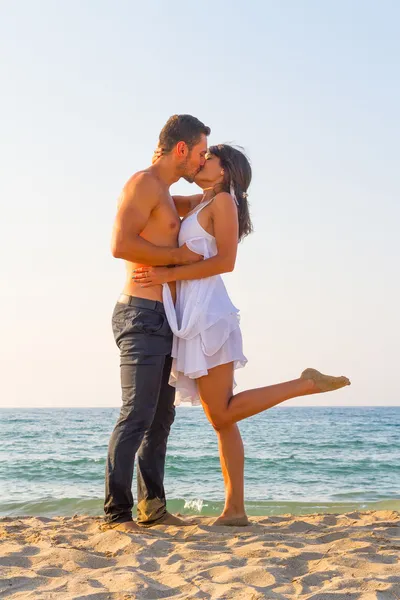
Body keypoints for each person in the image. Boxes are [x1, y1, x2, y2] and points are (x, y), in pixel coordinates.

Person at [132, 144, 351, 526]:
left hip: (209, 313)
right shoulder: (202, 200)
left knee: (222, 411)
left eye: (208, 158)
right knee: (222, 420)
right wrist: (166, 157)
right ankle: (235, 510)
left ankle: (303, 384)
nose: (201, 162)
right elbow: (160, 191)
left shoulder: (224, 204)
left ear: (225, 171)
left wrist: (167, 274)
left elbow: (226, 261)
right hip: (192, 315)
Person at [104, 114, 211, 531]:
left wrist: (222, 184)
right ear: (181, 149)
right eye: (200, 153)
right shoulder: (143, 183)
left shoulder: (166, 194)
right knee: (136, 414)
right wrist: (180, 259)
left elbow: (200, 204)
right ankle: (116, 514)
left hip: (163, 317)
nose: (200, 162)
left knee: (160, 418)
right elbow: (120, 244)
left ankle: (153, 508)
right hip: (139, 314)